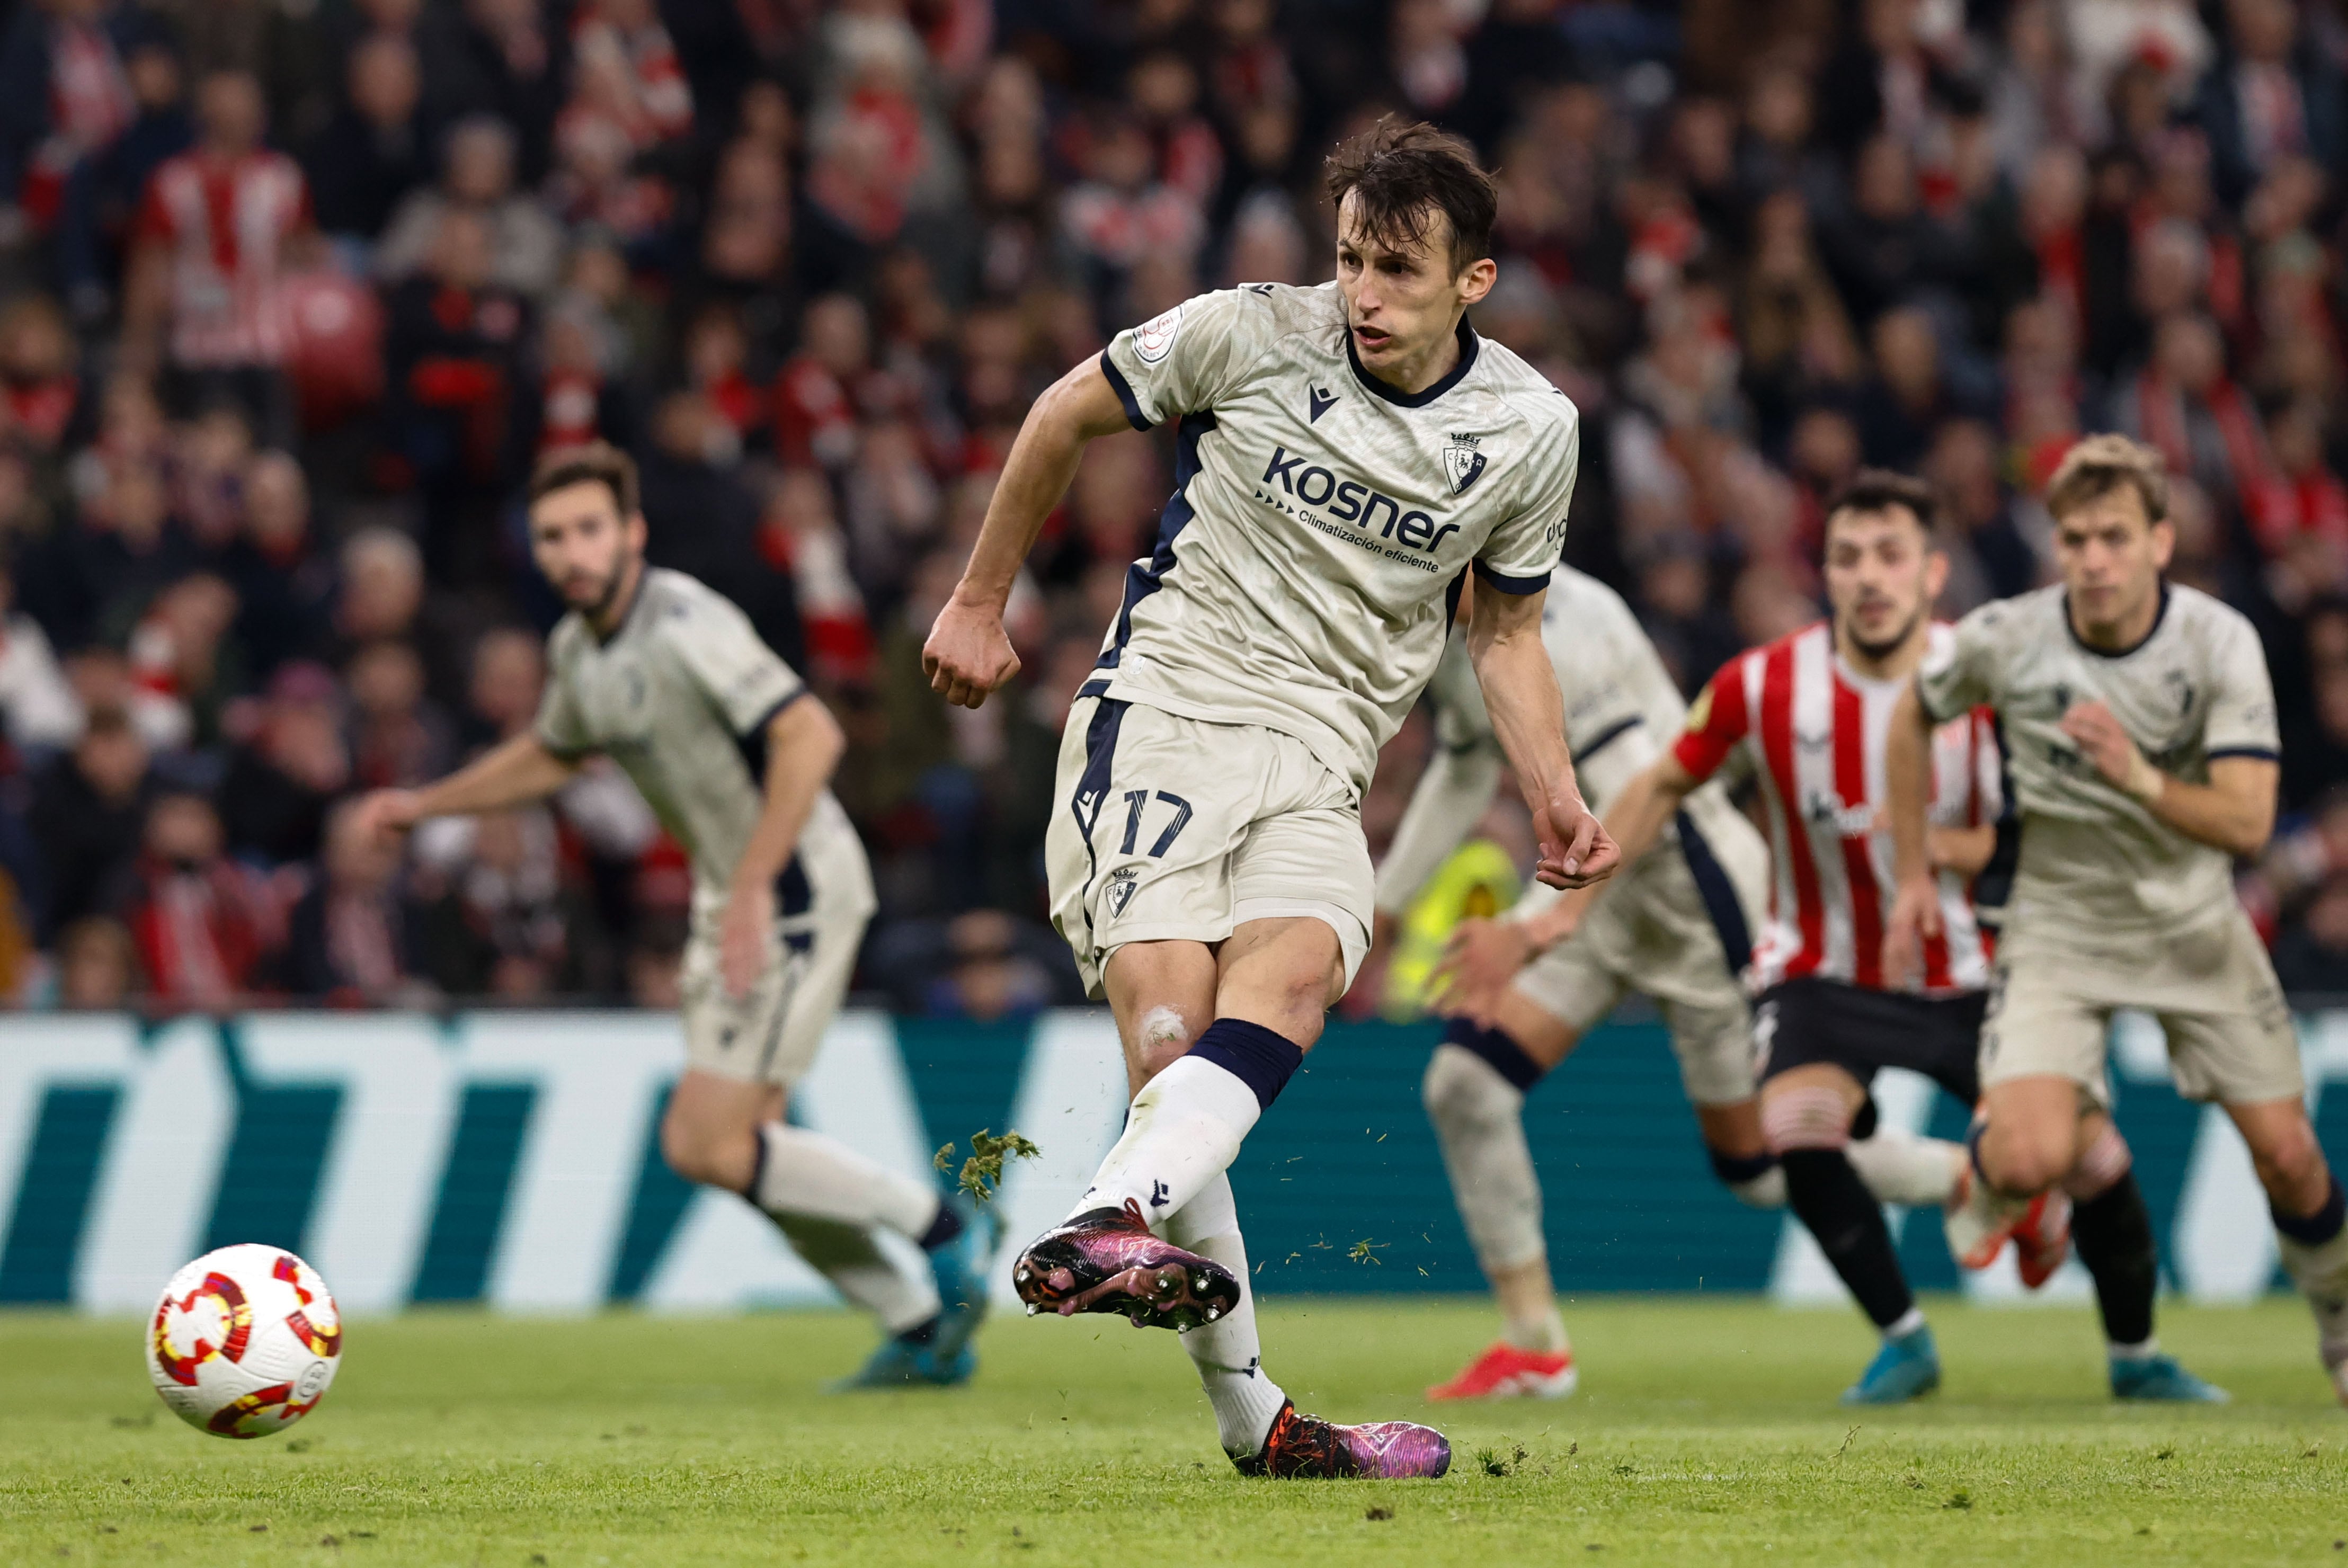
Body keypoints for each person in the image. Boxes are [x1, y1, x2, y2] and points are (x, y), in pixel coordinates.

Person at [921, 119, 1616, 1478]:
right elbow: (1065, 407)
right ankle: (1251, 1412)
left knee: (1287, 991)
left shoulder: (1529, 432)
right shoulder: (1250, 332)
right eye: (1351, 257)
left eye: (1398, 271)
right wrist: (977, 596)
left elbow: (1504, 629)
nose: (1361, 293)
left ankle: (1110, 1230)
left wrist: (1552, 792)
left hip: (1324, 755)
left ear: (1472, 282)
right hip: (1168, 707)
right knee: (1170, 1038)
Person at [351, 442, 993, 1389]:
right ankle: (921, 1329)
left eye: (589, 530)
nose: (572, 552)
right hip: (738, 892)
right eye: (553, 536)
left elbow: (810, 733)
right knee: (746, 1153)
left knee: (707, 1141)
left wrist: (750, 885)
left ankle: (940, 1229)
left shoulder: (686, 620)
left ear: (632, 534)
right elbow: (555, 754)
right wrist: (428, 805)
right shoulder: (578, 651)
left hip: (791, 887)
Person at [1380, 565, 1967, 1402]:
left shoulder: (1564, 620)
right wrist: (1387, 903)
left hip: (1693, 892)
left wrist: (1531, 929)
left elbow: (1633, 795)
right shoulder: (1450, 628)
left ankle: (1969, 1177)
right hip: (1595, 903)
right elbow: (1468, 763)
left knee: (1762, 1170)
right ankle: (1535, 1344)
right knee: (1465, 1084)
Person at [1579, 470, 2087, 1405]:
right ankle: (1906, 1339)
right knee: (1794, 1135)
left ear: (1934, 572)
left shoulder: (1989, 677)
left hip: (1974, 969)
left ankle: (2106, 1309)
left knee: (2081, 1157)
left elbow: (2049, 828)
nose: (1868, 576)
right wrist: (1580, 878)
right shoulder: (1766, 685)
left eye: (1889, 555)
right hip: (1824, 970)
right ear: (1825, 572)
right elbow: (1663, 781)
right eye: (1848, 557)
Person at [1888, 434, 2319, 1403]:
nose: (2093, 559)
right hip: (2062, 926)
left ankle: (2337, 1327)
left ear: (2161, 542)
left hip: (2193, 922)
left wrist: (2136, 775)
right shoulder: (2009, 636)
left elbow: (2249, 822)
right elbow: (1914, 715)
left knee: (2291, 1163)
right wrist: (1914, 866)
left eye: (2115, 537)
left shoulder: (2219, 643)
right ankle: (2036, 1159)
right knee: (2025, 1152)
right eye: (2075, 538)